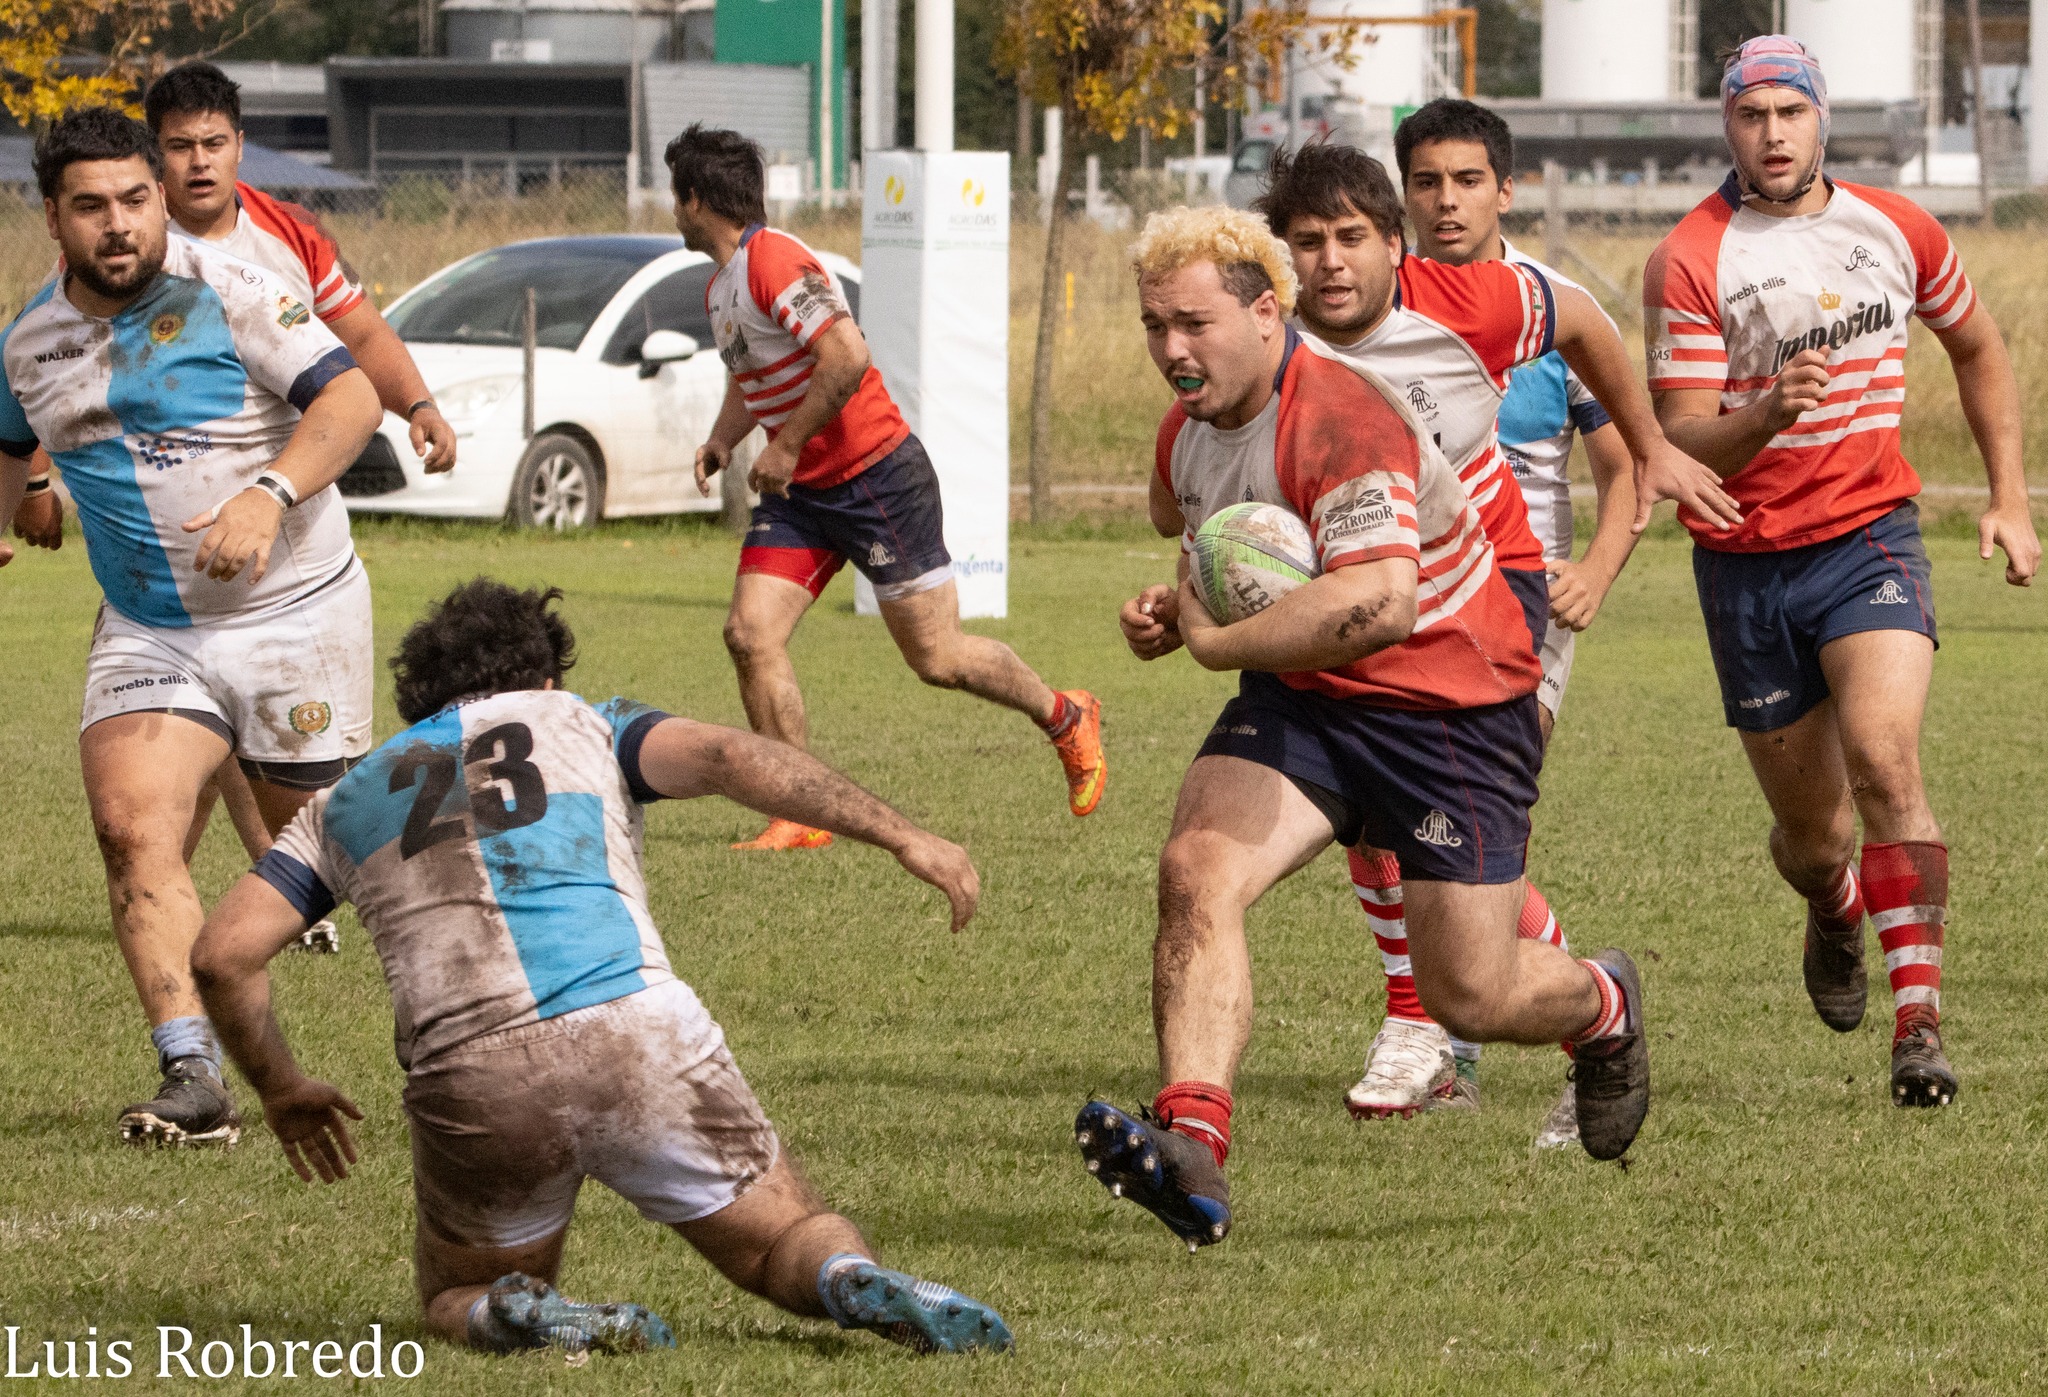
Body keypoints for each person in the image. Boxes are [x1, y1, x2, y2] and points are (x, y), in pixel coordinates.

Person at [189, 579, 1012, 1358]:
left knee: (458, 1291)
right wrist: (903, 833)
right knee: (786, 1243)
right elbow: (728, 755)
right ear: (544, 676)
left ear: (418, 705)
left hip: (473, 1073)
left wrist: (283, 1089)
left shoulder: (344, 800)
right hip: (635, 1030)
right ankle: (847, 1275)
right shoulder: (585, 720)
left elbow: (221, 956)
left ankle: (518, 1310)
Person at [1077, 206, 1652, 1252]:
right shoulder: (1188, 424)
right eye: (1154, 324)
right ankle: (1193, 1140)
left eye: (1192, 323)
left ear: (1265, 310)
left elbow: (1382, 602)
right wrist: (1176, 605)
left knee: (1466, 994)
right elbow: (1210, 533)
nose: (1170, 349)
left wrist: (1211, 643)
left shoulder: (1343, 414)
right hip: (1307, 693)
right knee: (1194, 868)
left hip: (1449, 707)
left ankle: (1600, 1003)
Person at [1255, 138, 1734, 1135]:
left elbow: (1595, 341)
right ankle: (1445, 1029)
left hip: (1499, 603)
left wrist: (1640, 474)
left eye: (1463, 180)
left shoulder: (1493, 301)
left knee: (1450, 834)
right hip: (1372, 592)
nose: (1445, 201)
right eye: (1425, 180)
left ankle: (1477, 1024)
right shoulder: (1277, 331)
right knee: (1398, 822)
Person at [1645, 37, 2038, 1107]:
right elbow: (1676, 438)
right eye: (1748, 116)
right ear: (1725, 127)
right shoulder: (1691, 255)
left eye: (1787, 112)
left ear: (1820, 118)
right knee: (1814, 837)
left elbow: (1978, 346)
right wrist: (1762, 412)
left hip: (1868, 538)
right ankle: (1830, 910)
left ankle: (1918, 1023)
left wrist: (2006, 496)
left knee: (1883, 759)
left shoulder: (1895, 227)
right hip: (1744, 566)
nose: (1769, 134)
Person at [0, 107, 383, 1147]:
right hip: (149, 627)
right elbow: (9, 442)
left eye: (135, 199)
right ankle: (193, 1074)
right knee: (132, 828)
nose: (118, 224)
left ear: (160, 197)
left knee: (338, 850)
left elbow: (350, 403)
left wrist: (267, 492)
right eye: (92, 207)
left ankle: (469, 1014)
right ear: (52, 218)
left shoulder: (240, 292)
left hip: (294, 611)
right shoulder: (28, 340)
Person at [666, 124, 1105, 850]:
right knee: (749, 634)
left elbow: (846, 355)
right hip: (802, 495)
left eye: (674, 196)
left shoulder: (776, 260)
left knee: (939, 659)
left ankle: (1066, 714)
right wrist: (723, 437)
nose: (671, 212)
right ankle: (800, 811)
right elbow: (755, 377)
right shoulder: (723, 287)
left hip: (875, 478)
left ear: (695, 199)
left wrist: (787, 443)